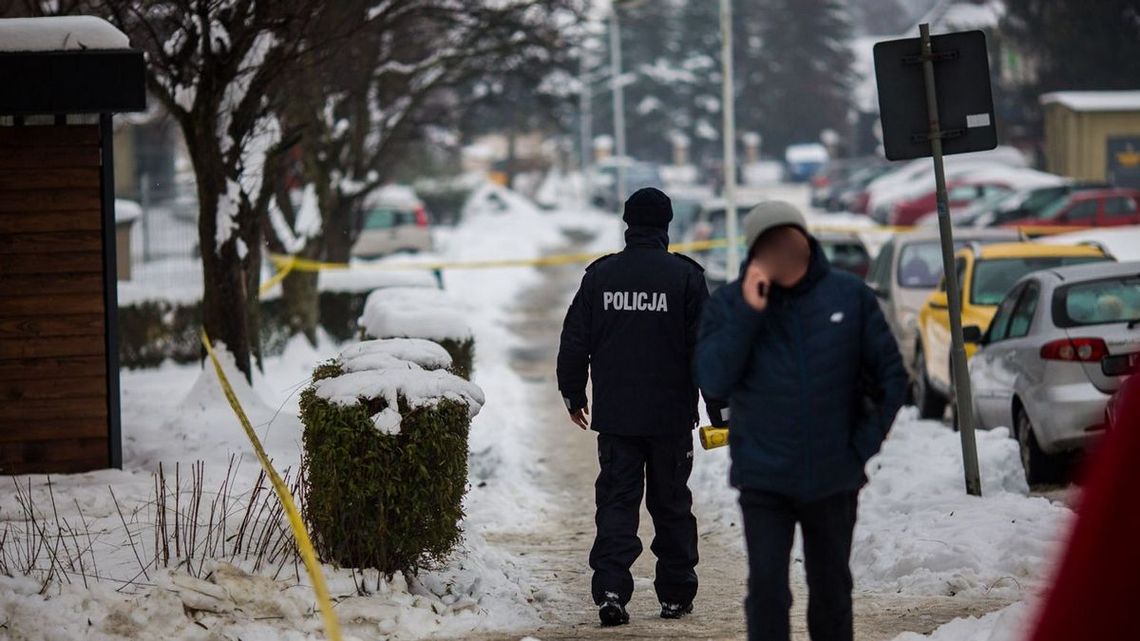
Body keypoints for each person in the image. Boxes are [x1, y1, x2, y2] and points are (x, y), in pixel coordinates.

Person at [695, 201, 906, 641]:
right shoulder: (730, 304)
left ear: (805, 242)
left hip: (832, 477)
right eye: (768, 246)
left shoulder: (848, 296)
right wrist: (749, 314)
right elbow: (713, 378)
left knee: (831, 592)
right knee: (768, 593)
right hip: (764, 481)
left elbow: (891, 379)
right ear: (754, 252)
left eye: (788, 241)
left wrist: (859, 448)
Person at [556, 187, 712, 627]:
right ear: (667, 225)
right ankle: (676, 594)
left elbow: (574, 340)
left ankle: (610, 589)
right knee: (671, 505)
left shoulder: (601, 276)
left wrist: (573, 393)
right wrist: (719, 406)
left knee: (617, 505)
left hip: (618, 419)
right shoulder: (685, 277)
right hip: (669, 419)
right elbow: (709, 348)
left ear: (628, 223)